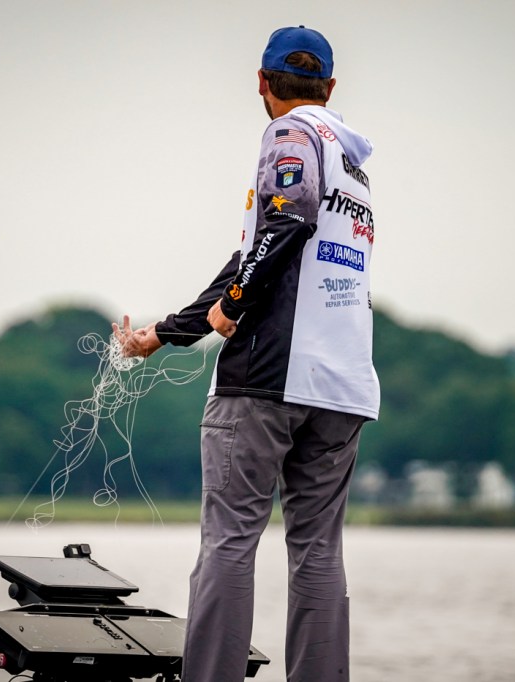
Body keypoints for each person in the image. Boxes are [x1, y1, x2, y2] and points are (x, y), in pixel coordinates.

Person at [116, 25, 378, 681]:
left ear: (262, 82)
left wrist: (234, 303)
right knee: (318, 550)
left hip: (266, 379)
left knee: (229, 541)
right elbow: (257, 254)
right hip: (342, 386)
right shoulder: (353, 165)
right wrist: (166, 333)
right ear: (330, 86)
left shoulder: (289, 134)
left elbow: (288, 221)